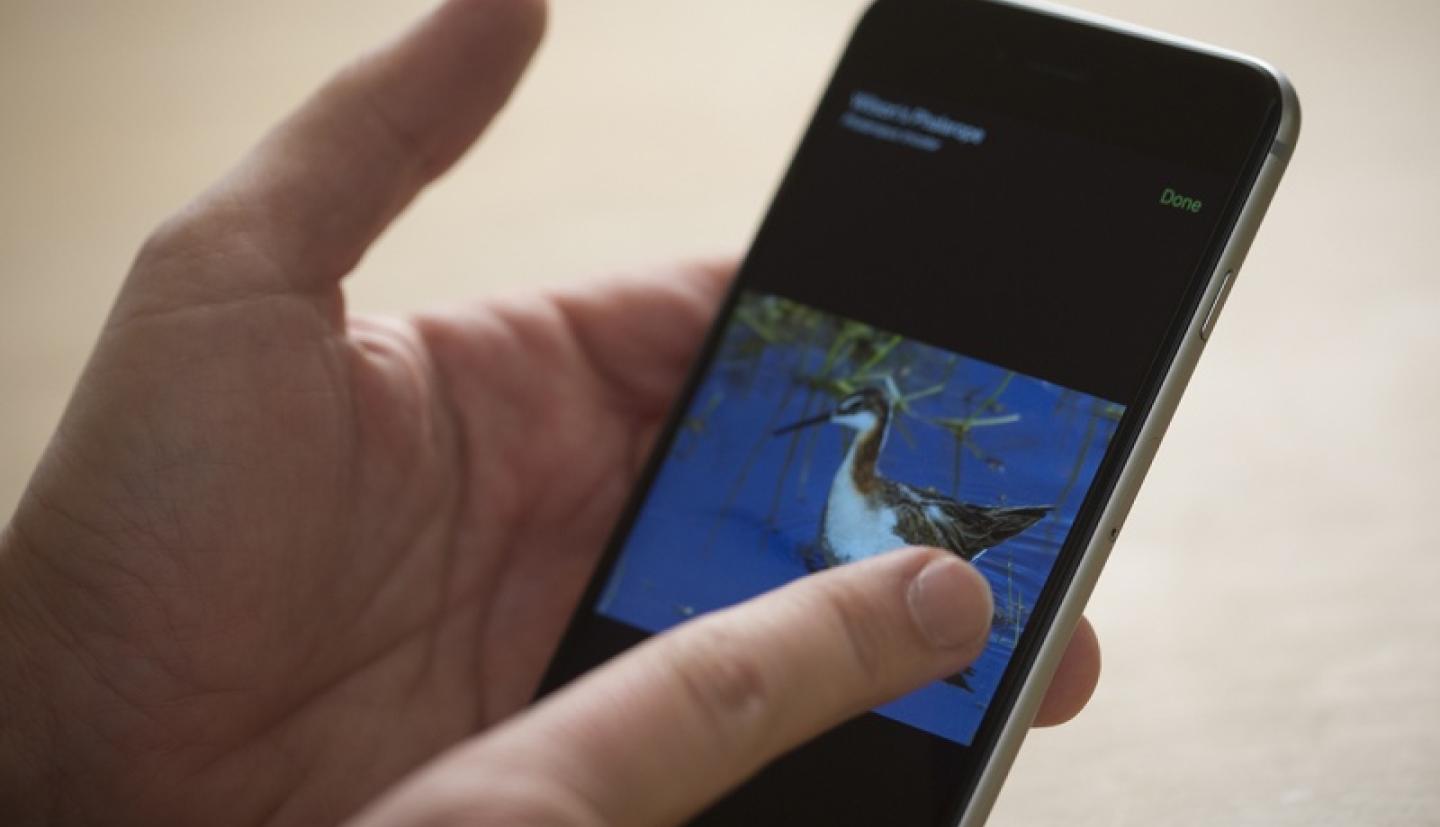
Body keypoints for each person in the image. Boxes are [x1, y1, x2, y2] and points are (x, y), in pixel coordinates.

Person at [0, 1, 1101, 824]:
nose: (835, 418)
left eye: (850, 410)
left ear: (872, 417)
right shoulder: (861, 490)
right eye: (843, 411)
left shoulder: (893, 514)